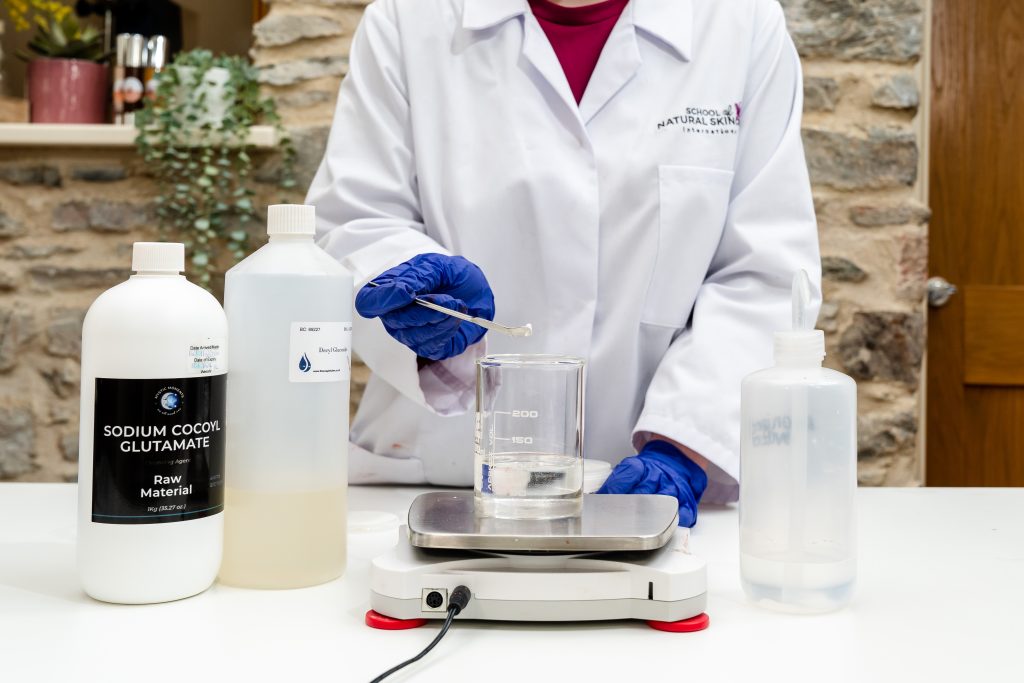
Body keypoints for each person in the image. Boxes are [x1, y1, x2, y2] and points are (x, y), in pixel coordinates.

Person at [307, 0, 821, 527]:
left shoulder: (739, 22)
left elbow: (762, 273)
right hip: (442, 477)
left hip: (655, 491)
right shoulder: (408, 18)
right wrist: (413, 283)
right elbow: (353, 220)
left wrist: (683, 443)